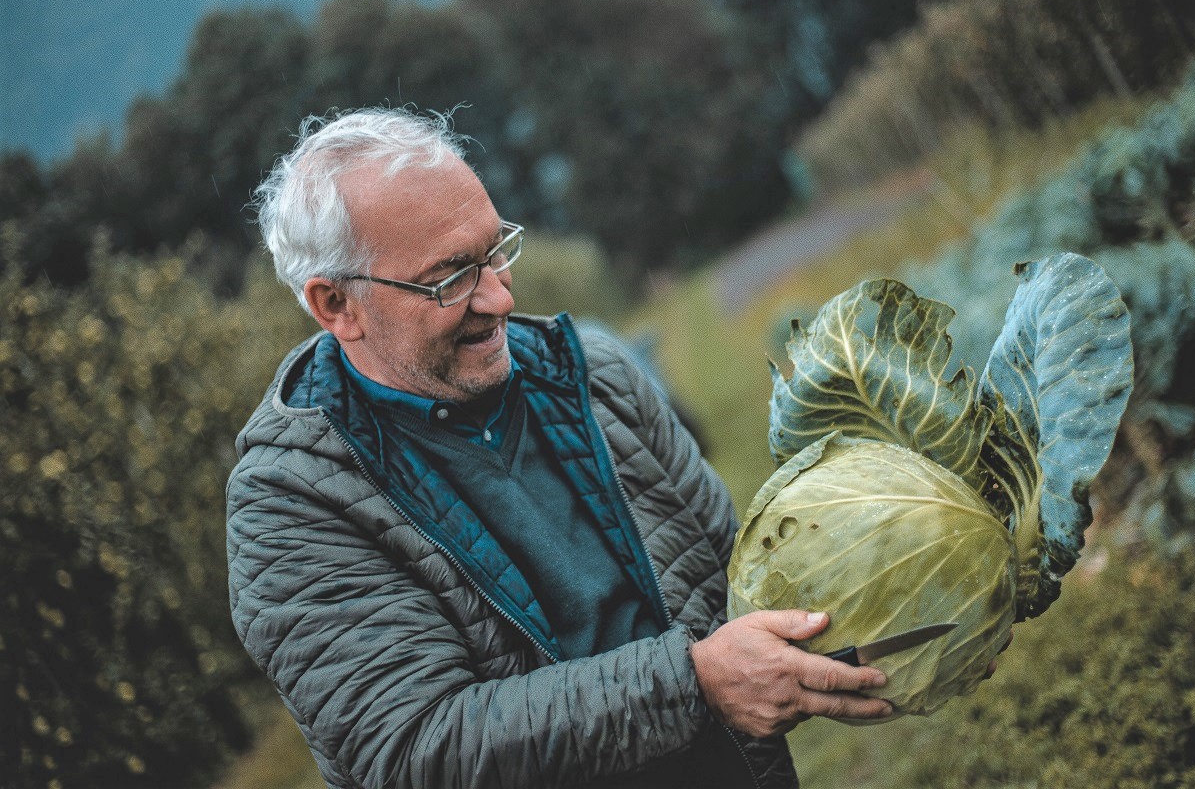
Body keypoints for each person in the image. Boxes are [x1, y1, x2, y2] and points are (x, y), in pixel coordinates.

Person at [226, 107, 894, 789]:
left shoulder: (596, 375)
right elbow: (414, 749)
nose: (498, 297)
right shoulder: (289, 508)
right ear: (336, 303)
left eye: (495, 251)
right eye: (451, 277)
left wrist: (910, 618)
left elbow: (737, 576)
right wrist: (691, 686)